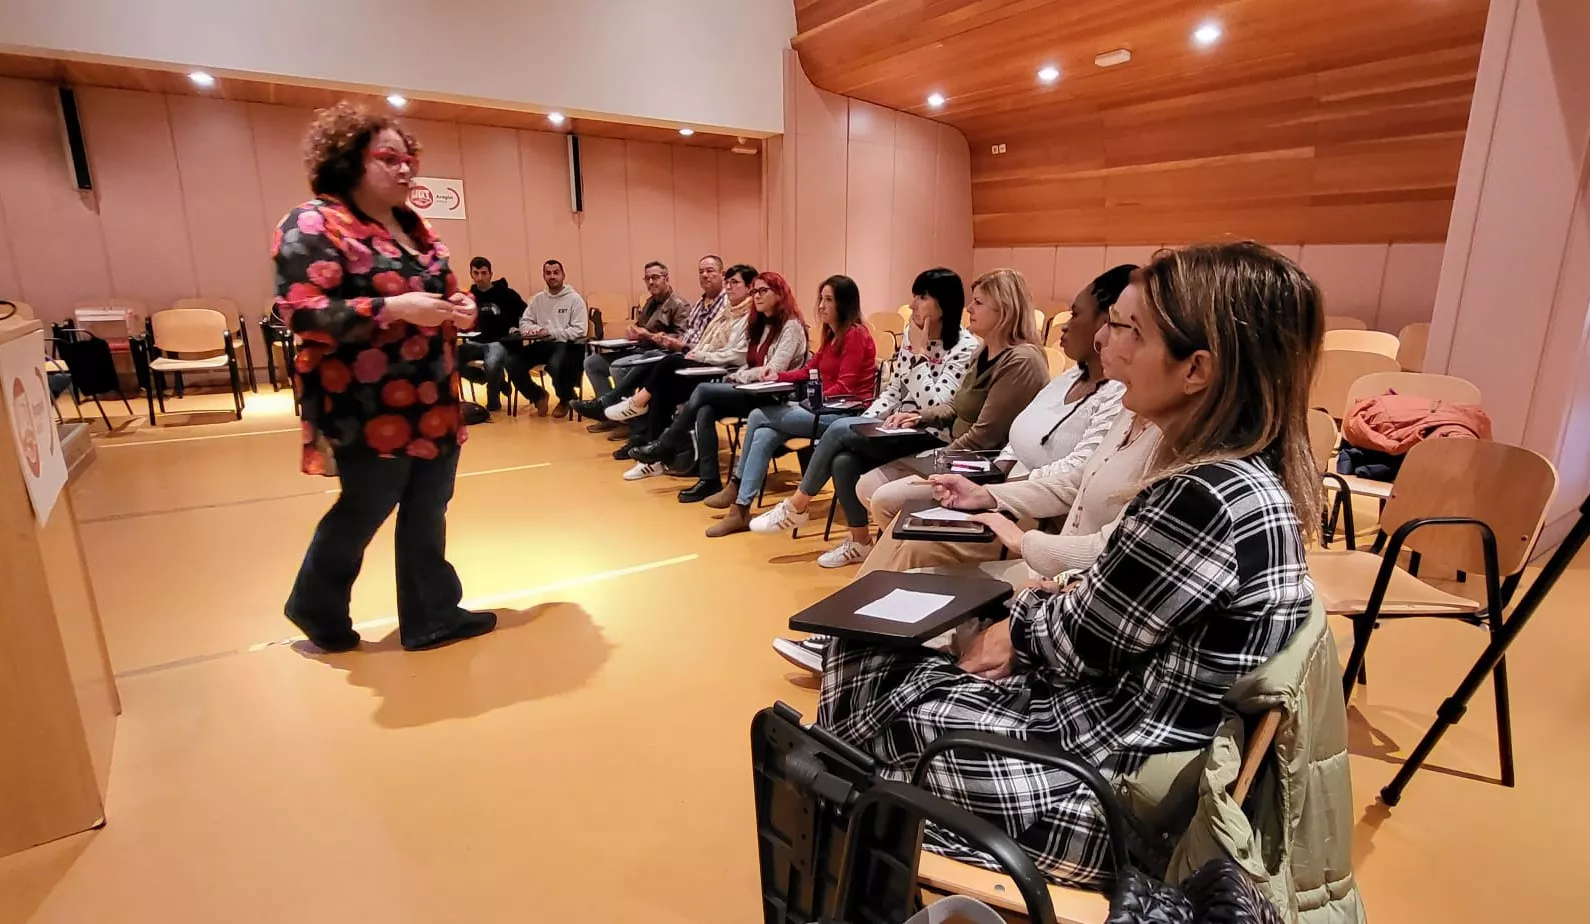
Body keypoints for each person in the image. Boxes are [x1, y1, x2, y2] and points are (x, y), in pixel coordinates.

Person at [815, 241, 1323, 888]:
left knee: (862, 679)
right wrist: (1041, 601)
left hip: (1102, 790)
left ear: (1196, 369)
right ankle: (857, 841)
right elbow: (1104, 614)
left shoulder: (1200, 497)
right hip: (1123, 740)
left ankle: (844, 860)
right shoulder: (1242, 480)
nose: (1109, 342)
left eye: (1131, 330)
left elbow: (1075, 639)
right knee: (875, 672)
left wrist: (1024, 611)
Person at [272, 101, 494, 653]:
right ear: (349, 159)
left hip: (432, 394)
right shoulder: (313, 223)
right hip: (366, 402)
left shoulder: (415, 226)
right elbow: (302, 312)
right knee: (367, 504)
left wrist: (462, 308)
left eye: (408, 158)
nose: (405, 168)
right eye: (388, 158)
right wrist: (392, 309)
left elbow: (443, 293)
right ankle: (315, 604)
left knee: (429, 506)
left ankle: (432, 615)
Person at [861, 265, 1133, 547]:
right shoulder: (1057, 374)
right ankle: (880, 552)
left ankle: (884, 551)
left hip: (989, 475)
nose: (969, 309)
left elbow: (985, 436)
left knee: (893, 516)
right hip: (983, 470)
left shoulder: (1021, 361)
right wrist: (920, 416)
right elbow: (983, 420)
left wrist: (948, 466)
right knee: (861, 469)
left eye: (978, 303)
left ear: (1003, 310)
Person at [743, 267, 978, 565]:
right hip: (895, 428)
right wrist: (869, 421)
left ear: (944, 304)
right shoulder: (912, 334)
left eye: (922, 298)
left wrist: (919, 356)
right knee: (843, 461)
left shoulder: (965, 347)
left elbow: (937, 404)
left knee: (837, 428)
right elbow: (893, 391)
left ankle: (797, 506)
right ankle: (860, 542)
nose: (913, 305)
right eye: (914, 297)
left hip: (931, 435)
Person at [702, 275, 877, 535]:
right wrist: (777, 376)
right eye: (821, 299)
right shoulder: (832, 335)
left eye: (829, 300)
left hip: (843, 415)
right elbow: (808, 371)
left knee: (758, 415)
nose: (821, 306)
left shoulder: (856, 335)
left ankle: (737, 487)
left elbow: (845, 387)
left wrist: (808, 401)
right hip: (821, 409)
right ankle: (740, 508)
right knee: (763, 433)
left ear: (844, 304)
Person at [648, 271, 809, 501]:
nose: (757, 296)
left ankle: (667, 443)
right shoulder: (762, 324)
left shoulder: (791, 326)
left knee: (703, 390)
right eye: (754, 291)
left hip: (778, 395)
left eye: (763, 291)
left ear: (779, 294)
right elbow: (753, 364)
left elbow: (772, 370)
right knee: (706, 409)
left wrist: (741, 376)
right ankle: (709, 480)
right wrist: (744, 374)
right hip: (755, 391)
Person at [620, 263, 757, 473]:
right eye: (728, 282)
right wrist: (693, 351)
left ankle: (640, 415)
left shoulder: (750, 316)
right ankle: (652, 456)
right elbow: (703, 342)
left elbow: (738, 355)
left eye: (735, 283)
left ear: (749, 288)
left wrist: (698, 353)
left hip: (725, 373)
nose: (729, 287)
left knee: (668, 364)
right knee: (662, 386)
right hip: (707, 363)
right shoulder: (726, 312)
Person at [600, 254, 730, 424]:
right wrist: (634, 332)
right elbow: (685, 335)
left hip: (694, 358)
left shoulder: (687, 304)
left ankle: (623, 411)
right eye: (701, 272)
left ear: (722, 274)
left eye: (710, 271)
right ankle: (621, 414)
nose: (705, 275)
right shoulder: (696, 304)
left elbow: (692, 338)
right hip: (673, 351)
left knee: (651, 363)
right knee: (593, 362)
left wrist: (654, 337)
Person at [573, 259, 695, 428]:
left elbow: (681, 340)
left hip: (660, 355)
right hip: (637, 349)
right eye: (647, 278)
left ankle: (627, 420)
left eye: (655, 277)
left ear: (666, 278)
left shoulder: (679, 305)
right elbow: (640, 327)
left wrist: (648, 336)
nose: (650, 282)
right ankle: (608, 413)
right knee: (592, 362)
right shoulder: (650, 302)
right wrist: (633, 331)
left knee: (618, 367)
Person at [457, 256, 541, 415]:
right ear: (471, 274)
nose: (480, 277)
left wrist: (517, 327)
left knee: (492, 363)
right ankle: (492, 380)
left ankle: (493, 404)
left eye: (483, 273)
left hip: (501, 342)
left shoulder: (507, 294)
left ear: (491, 274)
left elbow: (527, 315)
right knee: (451, 357)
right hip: (476, 341)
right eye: (476, 273)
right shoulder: (469, 297)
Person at [513, 258, 588, 417]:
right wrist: (539, 330)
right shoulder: (538, 299)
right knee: (512, 362)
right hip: (543, 344)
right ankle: (538, 395)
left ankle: (566, 399)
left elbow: (580, 330)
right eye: (548, 273)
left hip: (567, 344)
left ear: (563, 275)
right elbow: (524, 323)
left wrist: (551, 332)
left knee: (555, 365)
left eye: (556, 273)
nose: (552, 276)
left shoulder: (575, 299)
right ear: (544, 276)